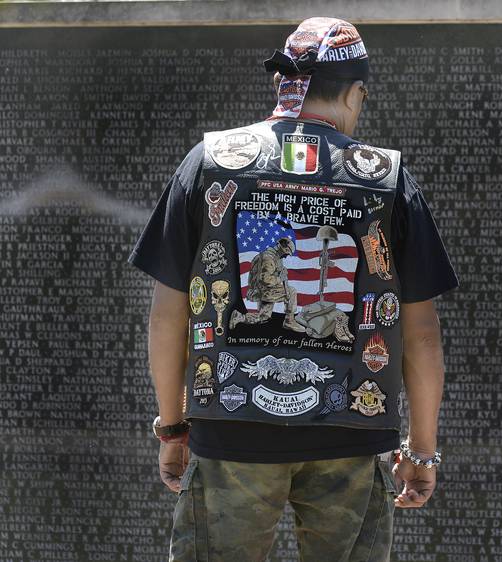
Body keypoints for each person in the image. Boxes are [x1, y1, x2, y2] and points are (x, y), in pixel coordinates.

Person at [128, 16, 459, 562]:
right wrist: (421, 452)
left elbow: (169, 316)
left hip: (232, 432)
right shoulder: (387, 179)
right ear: (354, 93)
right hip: (351, 439)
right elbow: (421, 336)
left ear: (286, 82)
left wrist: (172, 426)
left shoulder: (209, 162)